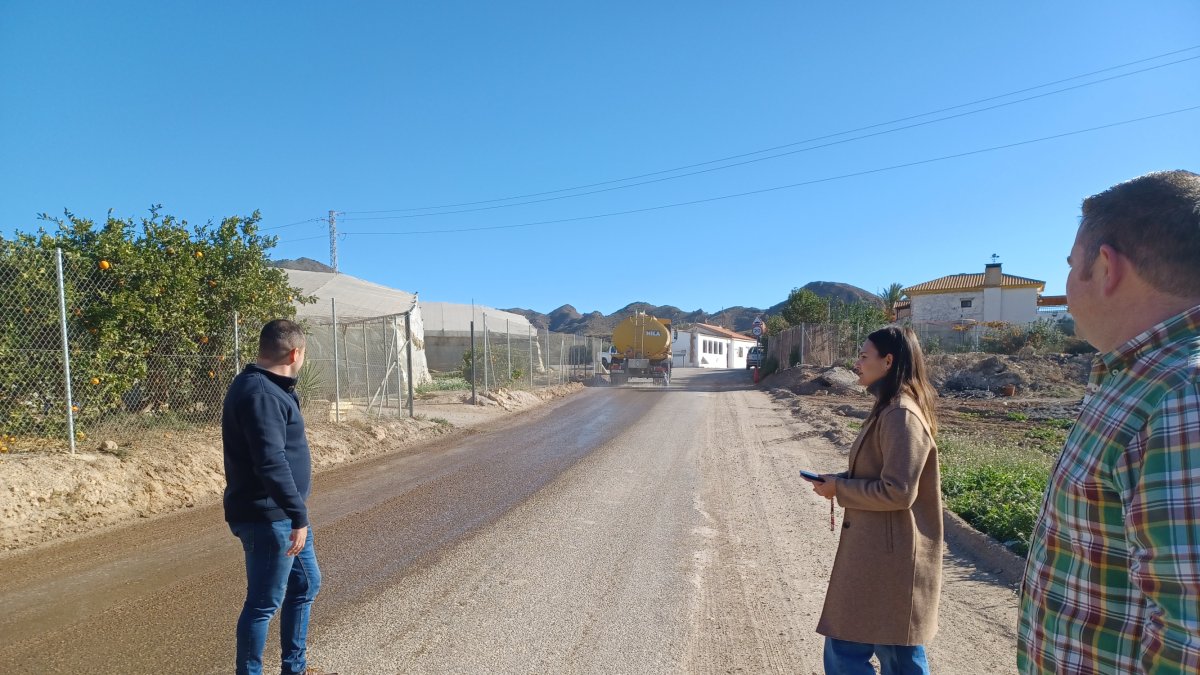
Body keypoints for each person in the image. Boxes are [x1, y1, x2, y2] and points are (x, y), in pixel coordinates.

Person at [1018, 170, 1200, 673]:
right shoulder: (1147, 382)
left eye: (1072, 266)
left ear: (1105, 267)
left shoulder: (1181, 395)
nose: (1068, 285)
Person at [805, 326, 942, 675]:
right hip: (883, 557)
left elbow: (898, 490)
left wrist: (842, 490)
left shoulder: (901, 414)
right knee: (895, 650)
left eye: (864, 356)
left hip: (889, 561)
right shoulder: (890, 408)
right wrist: (840, 481)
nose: (857, 363)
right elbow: (881, 472)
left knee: (851, 650)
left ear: (888, 360)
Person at [223, 319, 327, 675]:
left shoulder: (267, 388)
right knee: (264, 603)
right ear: (295, 352)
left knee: (306, 582)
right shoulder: (262, 394)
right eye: (304, 355)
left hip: (282, 513)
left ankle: (294, 667)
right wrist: (297, 516)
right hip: (271, 516)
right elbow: (270, 462)